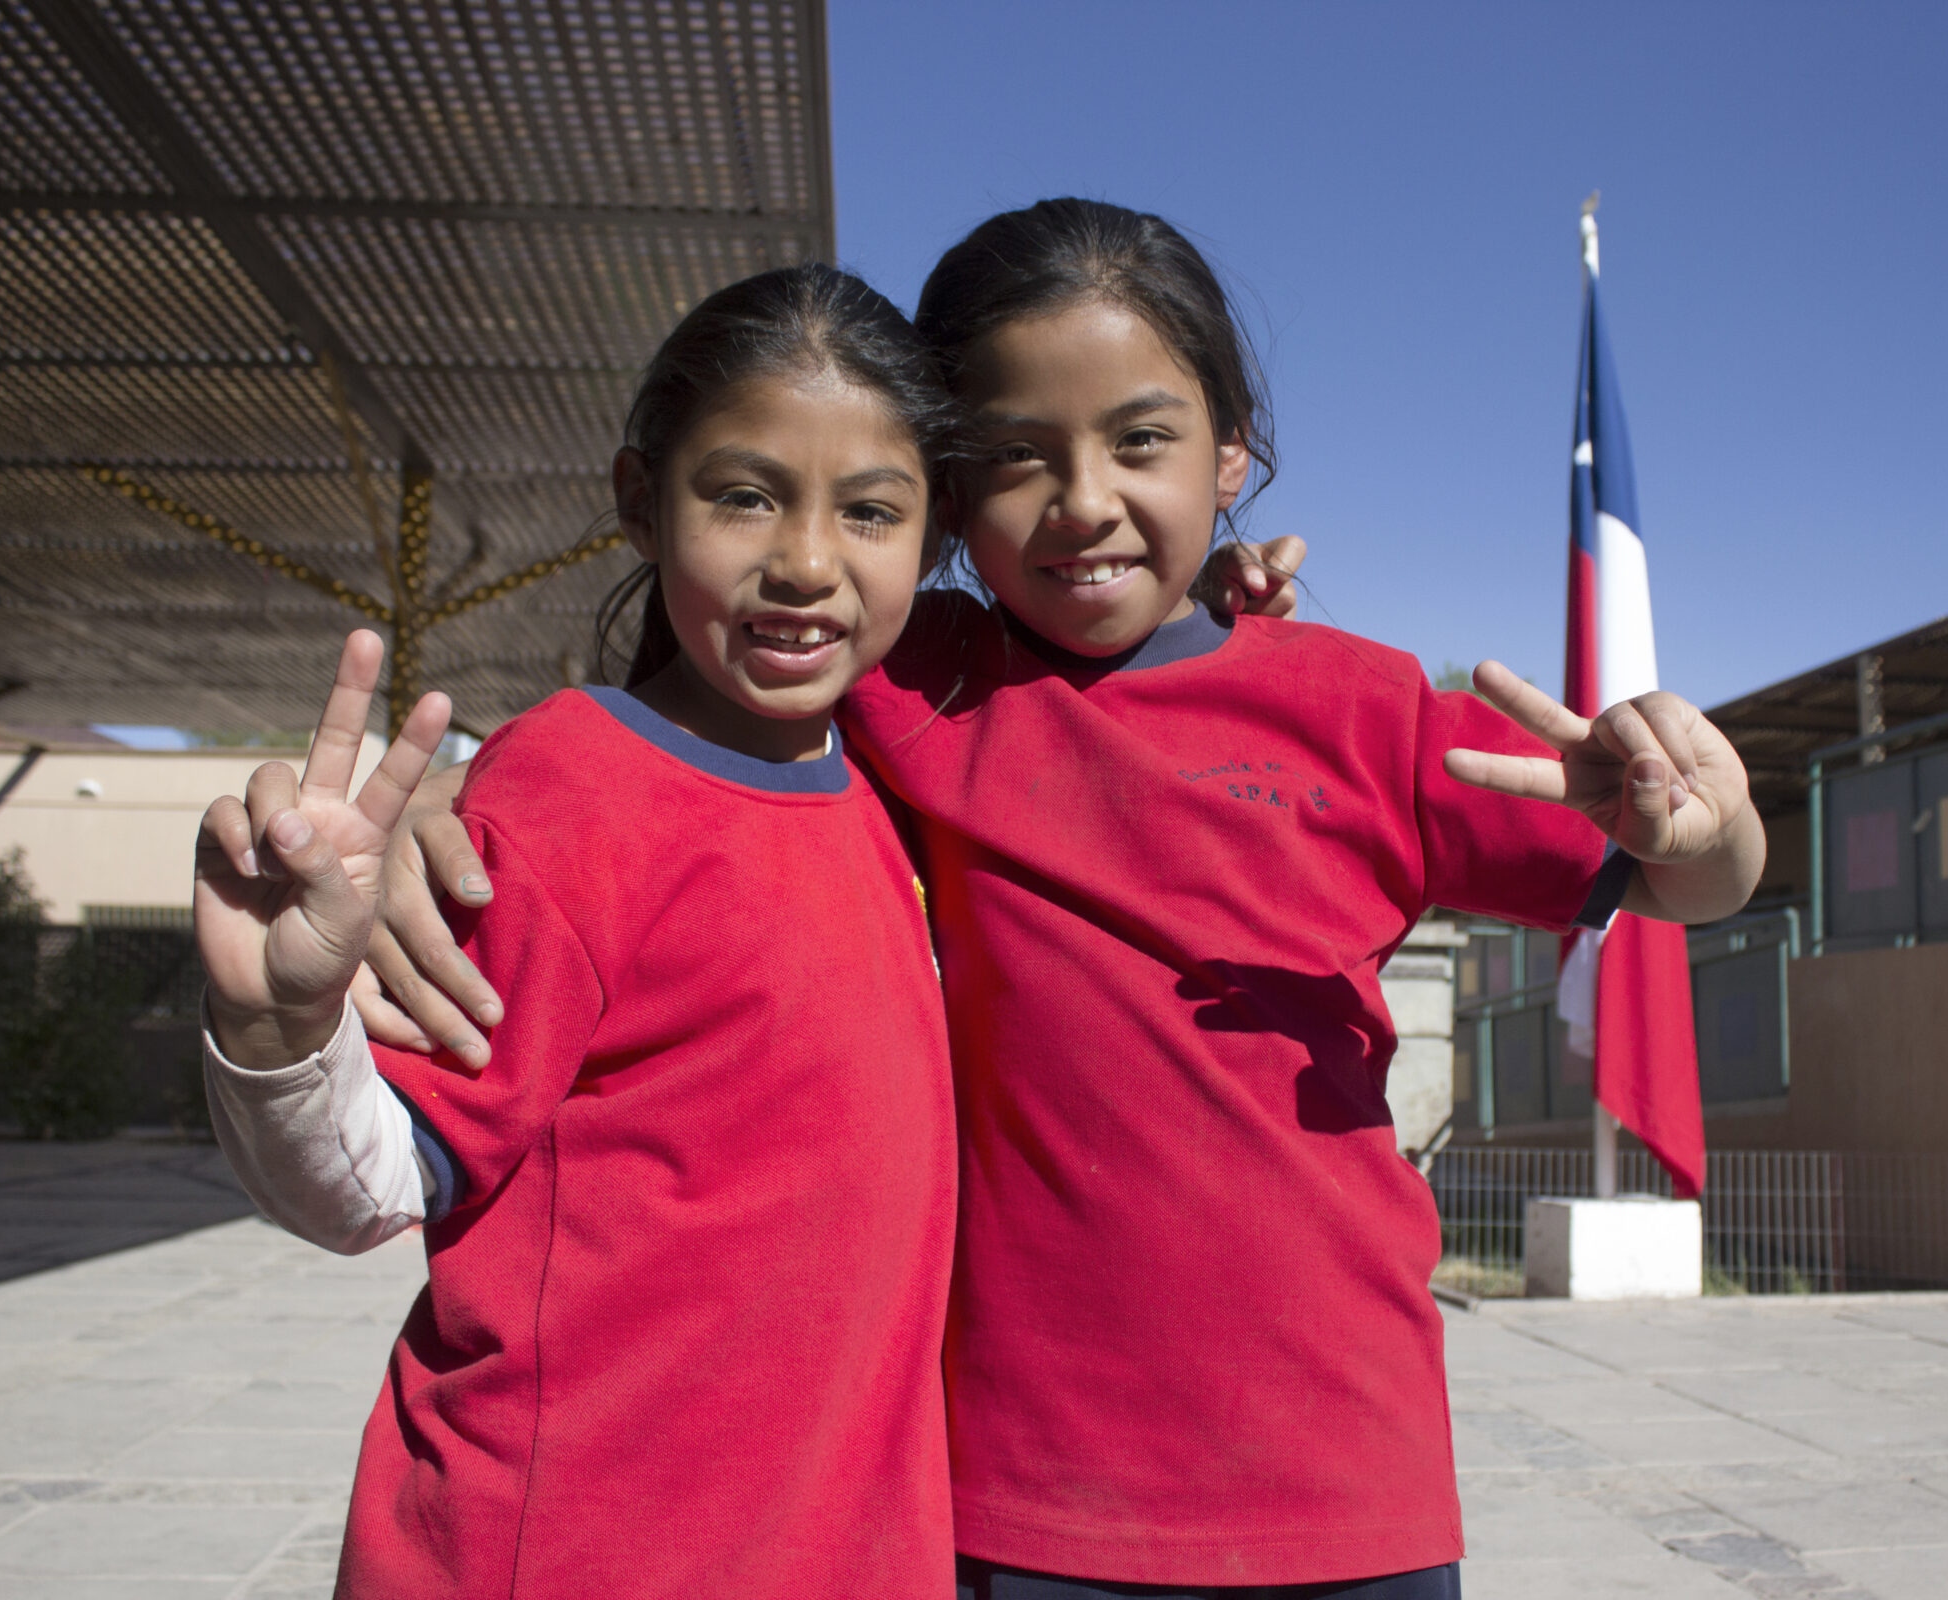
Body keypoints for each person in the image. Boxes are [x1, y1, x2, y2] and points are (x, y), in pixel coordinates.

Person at [368, 200, 1766, 1599]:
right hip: (1023, 1511)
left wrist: (1711, 823)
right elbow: (702, 697)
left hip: (1354, 1489)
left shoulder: (1371, 713)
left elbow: (1685, 882)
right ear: (947, 498)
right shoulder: (926, 680)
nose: (1085, 499)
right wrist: (458, 785)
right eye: (1018, 457)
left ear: (1234, 459)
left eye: (1141, 441)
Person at [192, 263, 971, 1598]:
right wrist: (277, 1023)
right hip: (569, 1555)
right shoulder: (570, 790)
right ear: (640, 502)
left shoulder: (899, 791)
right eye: (743, 494)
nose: (805, 561)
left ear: (929, 535)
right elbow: (371, 1184)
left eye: (872, 512)